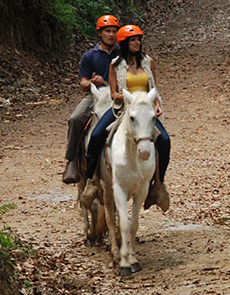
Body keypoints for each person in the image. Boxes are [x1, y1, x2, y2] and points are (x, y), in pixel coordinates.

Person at [84, 24, 170, 211]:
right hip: (122, 108)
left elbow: (153, 88)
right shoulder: (115, 64)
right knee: (97, 135)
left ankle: (158, 185)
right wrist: (132, 97)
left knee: (164, 140)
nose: (137, 43)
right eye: (133, 40)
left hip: (145, 110)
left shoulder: (148, 61)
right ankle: (91, 181)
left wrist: (155, 105)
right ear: (124, 43)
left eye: (139, 39)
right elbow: (114, 94)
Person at [63, 14, 120, 184]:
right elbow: (82, 83)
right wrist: (91, 82)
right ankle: (71, 160)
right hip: (95, 95)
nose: (111, 35)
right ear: (100, 33)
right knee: (75, 118)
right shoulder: (89, 56)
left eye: (114, 31)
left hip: (118, 95)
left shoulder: (122, 53)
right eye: (108, 31)